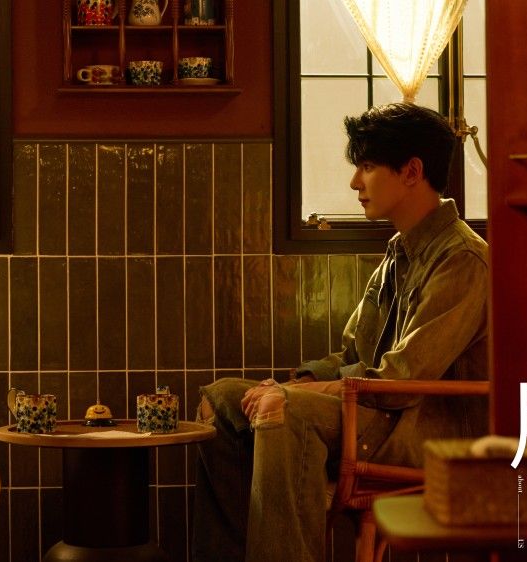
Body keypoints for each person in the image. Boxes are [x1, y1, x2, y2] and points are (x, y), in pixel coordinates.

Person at [192, 103, 489, 562]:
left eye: (367, 167)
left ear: (412, 171)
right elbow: (353, 355)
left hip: (427, 430)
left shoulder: (463, 259)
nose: (354, 183)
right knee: (222, 401)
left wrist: (291, 395)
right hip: (379, 414)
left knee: (282, 409)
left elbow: (404, 380)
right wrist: (301, 380)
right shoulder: (399, 252)